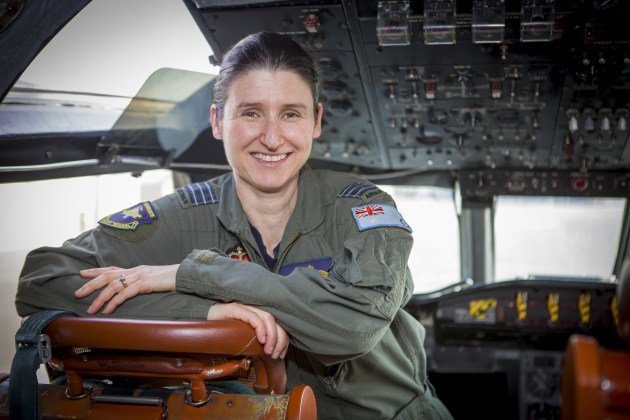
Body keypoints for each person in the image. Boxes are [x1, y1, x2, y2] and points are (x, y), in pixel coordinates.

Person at [15, 32, 453, 419]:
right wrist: (203, 311)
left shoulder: (362, 208)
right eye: (249, 113)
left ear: (316, 121)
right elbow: (42, 281)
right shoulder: (181, 214)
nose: (271, 137)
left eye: (290, 114)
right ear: (216, 121)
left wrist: (192, 276)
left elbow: (352, 327)